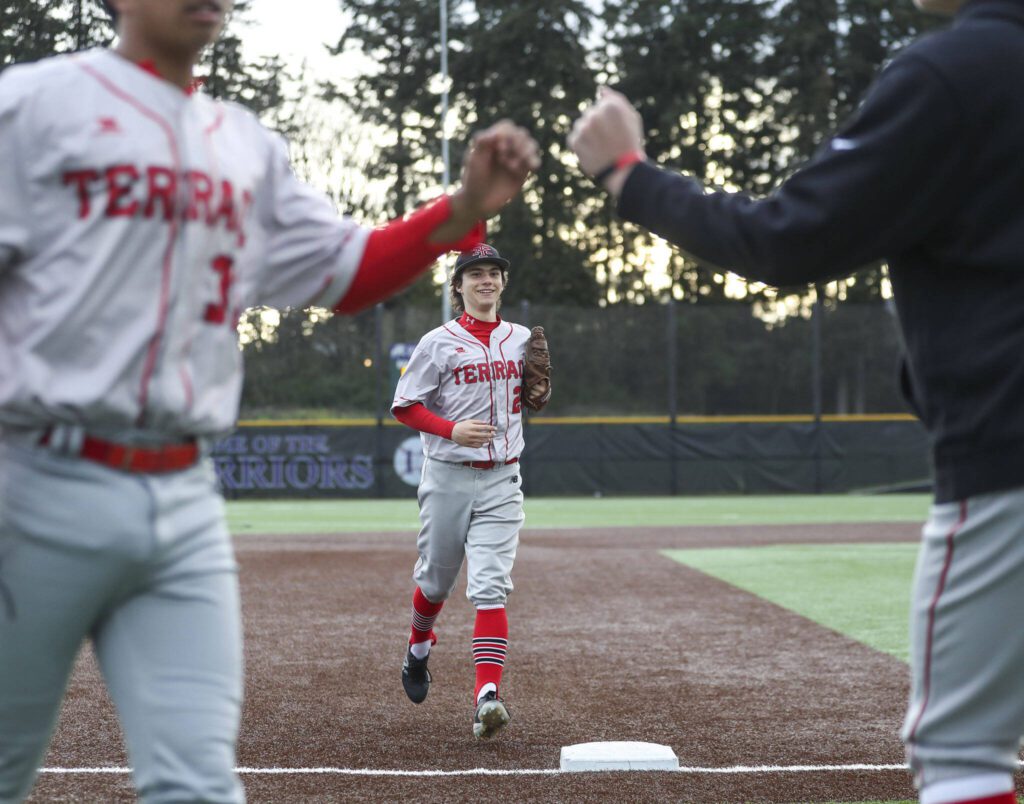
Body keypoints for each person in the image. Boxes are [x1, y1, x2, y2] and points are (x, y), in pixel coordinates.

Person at [0, 0, 539, 800]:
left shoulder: (243, 143)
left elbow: (350, 271)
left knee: (198, 783)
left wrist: (459, 211)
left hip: (182, 499)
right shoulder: (33, 105)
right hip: (37, 483)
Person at [569, 0, 1024, 801]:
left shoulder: (956, 72)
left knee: (960, 751)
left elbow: (787, 237)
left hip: (1008, 457)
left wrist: (628, 175)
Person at [391, 243, 548, 740]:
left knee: (490, 586)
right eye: (474, 274)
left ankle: (487, 698)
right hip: (448, 474)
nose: (486, 281)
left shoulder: (521, 338)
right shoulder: (437, 342)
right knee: (435, 582)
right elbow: (405, 405)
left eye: (493, 273)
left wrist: (541, 392)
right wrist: (450, 428)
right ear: (458, 287)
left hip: (504, 477)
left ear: (503, 283)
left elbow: (533, 395)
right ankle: (418, 648)